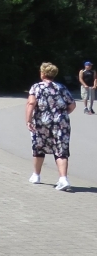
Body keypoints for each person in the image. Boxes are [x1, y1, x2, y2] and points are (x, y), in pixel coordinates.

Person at [27, 62, 74, 190]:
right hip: (61, 123)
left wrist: (28, 120)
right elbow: (72, 105)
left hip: (41, 122)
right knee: (61, 149)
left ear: (42, 73)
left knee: (38, 147)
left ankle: (36, 175)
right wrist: (61, 115)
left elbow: (31, 103)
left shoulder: (36, 87)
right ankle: (63, 179)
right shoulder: (61, 87)